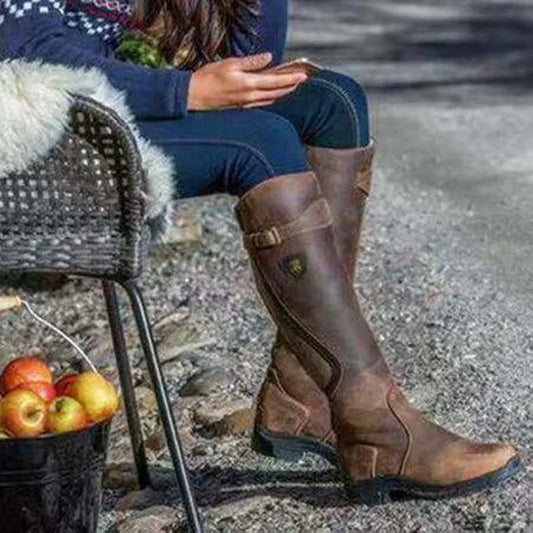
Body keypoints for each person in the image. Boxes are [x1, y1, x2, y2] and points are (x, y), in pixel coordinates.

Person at [0, 0, 520, 504]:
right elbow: (28, 51)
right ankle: (375, 425)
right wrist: (185, 90)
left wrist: (206, 79)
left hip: (90, 111)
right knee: (262, 142)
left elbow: (253, 59)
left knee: (333, 105)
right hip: (31, 132)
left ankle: (301, 397)